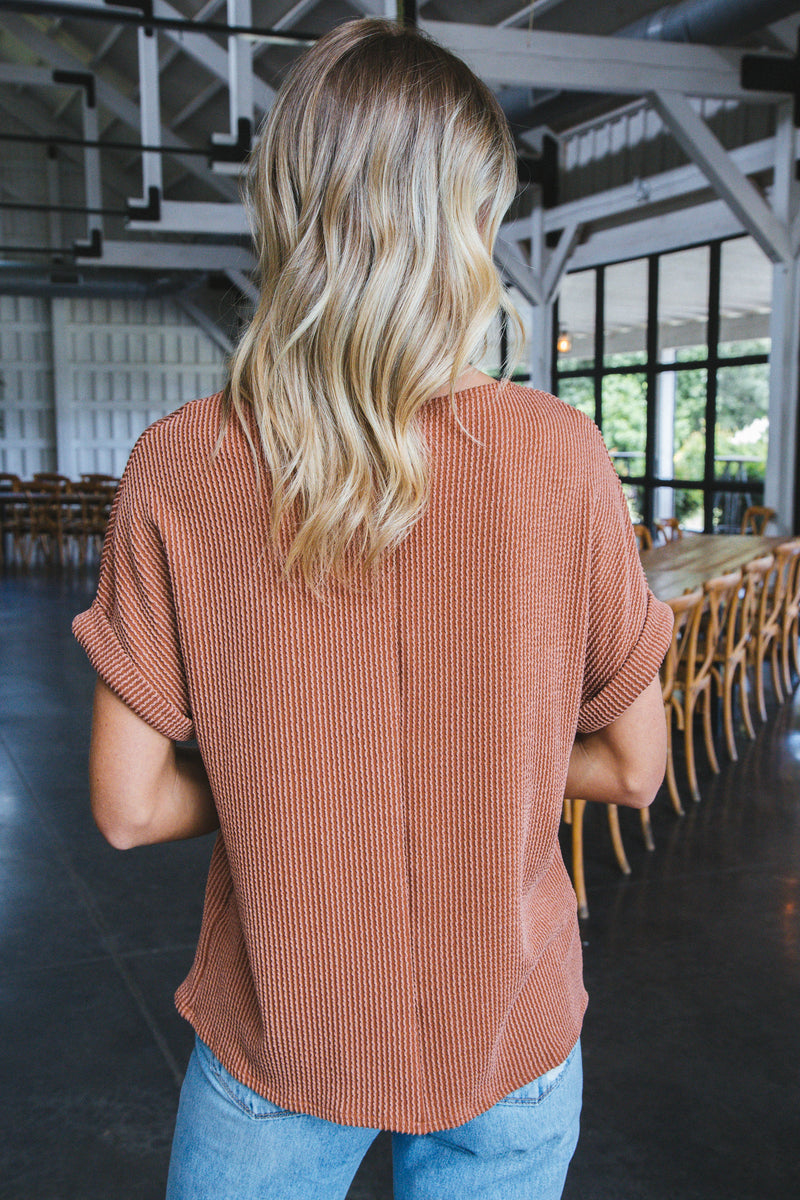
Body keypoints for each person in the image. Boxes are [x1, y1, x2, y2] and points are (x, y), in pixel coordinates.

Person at [73, 17, 672, 1200]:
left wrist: (288, 771)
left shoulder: (180, 466)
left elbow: (129, 809)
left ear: (288, 207)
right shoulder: (561, 457)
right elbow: (634, 766)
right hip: (505, 1033)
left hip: (281, 1039)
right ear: (471, 222)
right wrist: (472, 763)